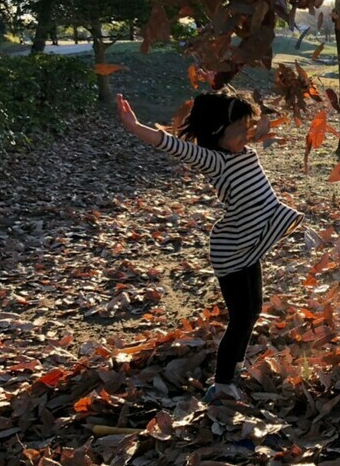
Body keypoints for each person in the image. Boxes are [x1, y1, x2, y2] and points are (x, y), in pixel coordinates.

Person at [116, 91, 303, 403]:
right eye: (240, 129)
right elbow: (172, 145)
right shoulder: (214, 159)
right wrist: (135, 126)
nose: (248, 134)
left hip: (249, 242)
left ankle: (236, 363)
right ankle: (223, 383)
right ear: (218, 132)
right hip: (231, 248)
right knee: (241, 316)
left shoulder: (243, 152)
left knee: (253, 309)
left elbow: (258, 127)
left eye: (248, 127)